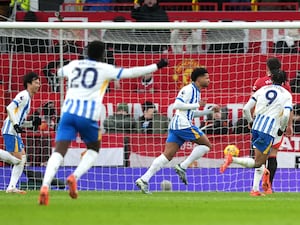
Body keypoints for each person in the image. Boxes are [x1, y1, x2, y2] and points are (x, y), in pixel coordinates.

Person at [38, 40, 168, 205]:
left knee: (58, 151)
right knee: (93, 149)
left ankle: (45, 185)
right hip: (86, 116)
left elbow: (57, 72)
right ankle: (74, 176)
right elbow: (132, 72)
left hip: (68, 113)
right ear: (103, 55)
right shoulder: (104, 69)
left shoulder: (74, 65)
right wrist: (157, 65)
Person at [135, 67, 219, 194]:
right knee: (206, 145)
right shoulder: (188, 89)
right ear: (198, 78)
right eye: (206, 77)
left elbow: (191, 112)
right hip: (182, 124)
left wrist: (207, 111)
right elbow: (177, 105)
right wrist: (198, 105)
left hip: (177, 125)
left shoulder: (197, 91)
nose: (209, 80)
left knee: (167, 156)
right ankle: (182, 166)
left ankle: (143, 179)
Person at [220, 69, 293, 196]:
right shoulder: (286, 95)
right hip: (269, 130)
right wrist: (282, 128)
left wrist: (251, 122)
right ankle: (233, 159)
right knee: (259, 162)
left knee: (260, 160)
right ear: (284, 81)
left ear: (272, 78)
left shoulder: (261, 90)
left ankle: (255, 189)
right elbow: (286, 115)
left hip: (256, 127)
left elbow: (246, 109)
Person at [252, 57, 294, 194]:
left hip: (260, 122)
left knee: (260, 154)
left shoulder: (259, 82)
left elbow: (252, 102)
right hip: (277, 123)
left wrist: (251, 119)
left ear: (267, 67)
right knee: (273, 154)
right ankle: (269, 186)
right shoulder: (285, 85)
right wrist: (289, 125)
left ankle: (256, 186)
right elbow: (289, 107)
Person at [0, 72, 40, 194]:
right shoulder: (24, 95)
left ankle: (11, 187)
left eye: (39, 82)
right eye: (36, 82)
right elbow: (9, 108)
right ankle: (11, 187)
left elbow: (20, 120)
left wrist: (31, 124)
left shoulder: (29, 99)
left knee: (22, 159)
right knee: (17, 160)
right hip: (10, 130)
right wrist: (16, 125)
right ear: (29, 84)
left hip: (15, 132)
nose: (38, 85)